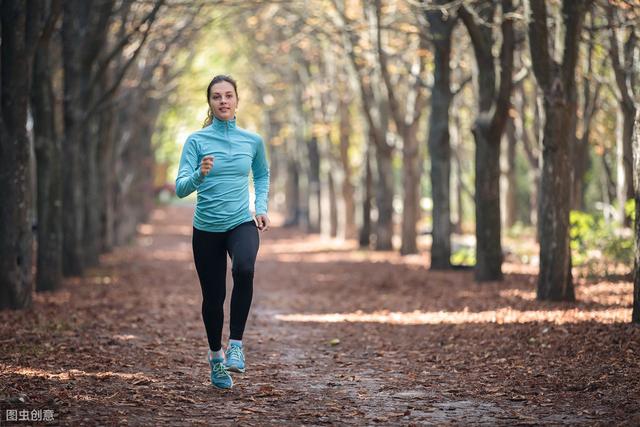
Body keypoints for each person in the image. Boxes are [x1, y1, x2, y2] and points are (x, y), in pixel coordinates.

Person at [175, 75, 270, 389]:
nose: (223, 101)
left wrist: (261, 207)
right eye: (217, 97)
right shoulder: (196, 141)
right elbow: (179, 188)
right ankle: (216, 358)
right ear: (210, 103)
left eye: (228, 95)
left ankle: (237, 346)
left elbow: (262, 174)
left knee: (244, 268)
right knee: (213, 299)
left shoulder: (252, 141)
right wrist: (200, 175)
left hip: (241, 222)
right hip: (207, 229)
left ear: (237, 100)